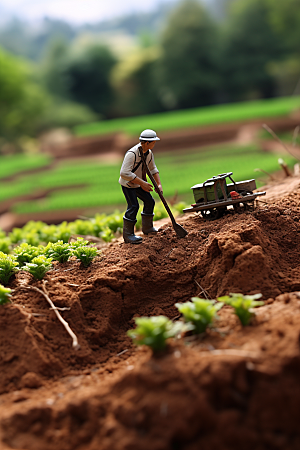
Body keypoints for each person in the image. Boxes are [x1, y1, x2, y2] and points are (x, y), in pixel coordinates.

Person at [119, 129, 163, 244]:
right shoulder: (132, 154)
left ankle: (147, 228)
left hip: (139, 183)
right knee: (133, 206)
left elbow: (153, 169)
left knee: (149, 202)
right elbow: (124, 173)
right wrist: (142, 183)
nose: (154, 144)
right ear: (147, 142)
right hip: (129, 184)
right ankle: (128, 235)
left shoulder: (148, 153)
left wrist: (158, 184)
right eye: (153, 142)